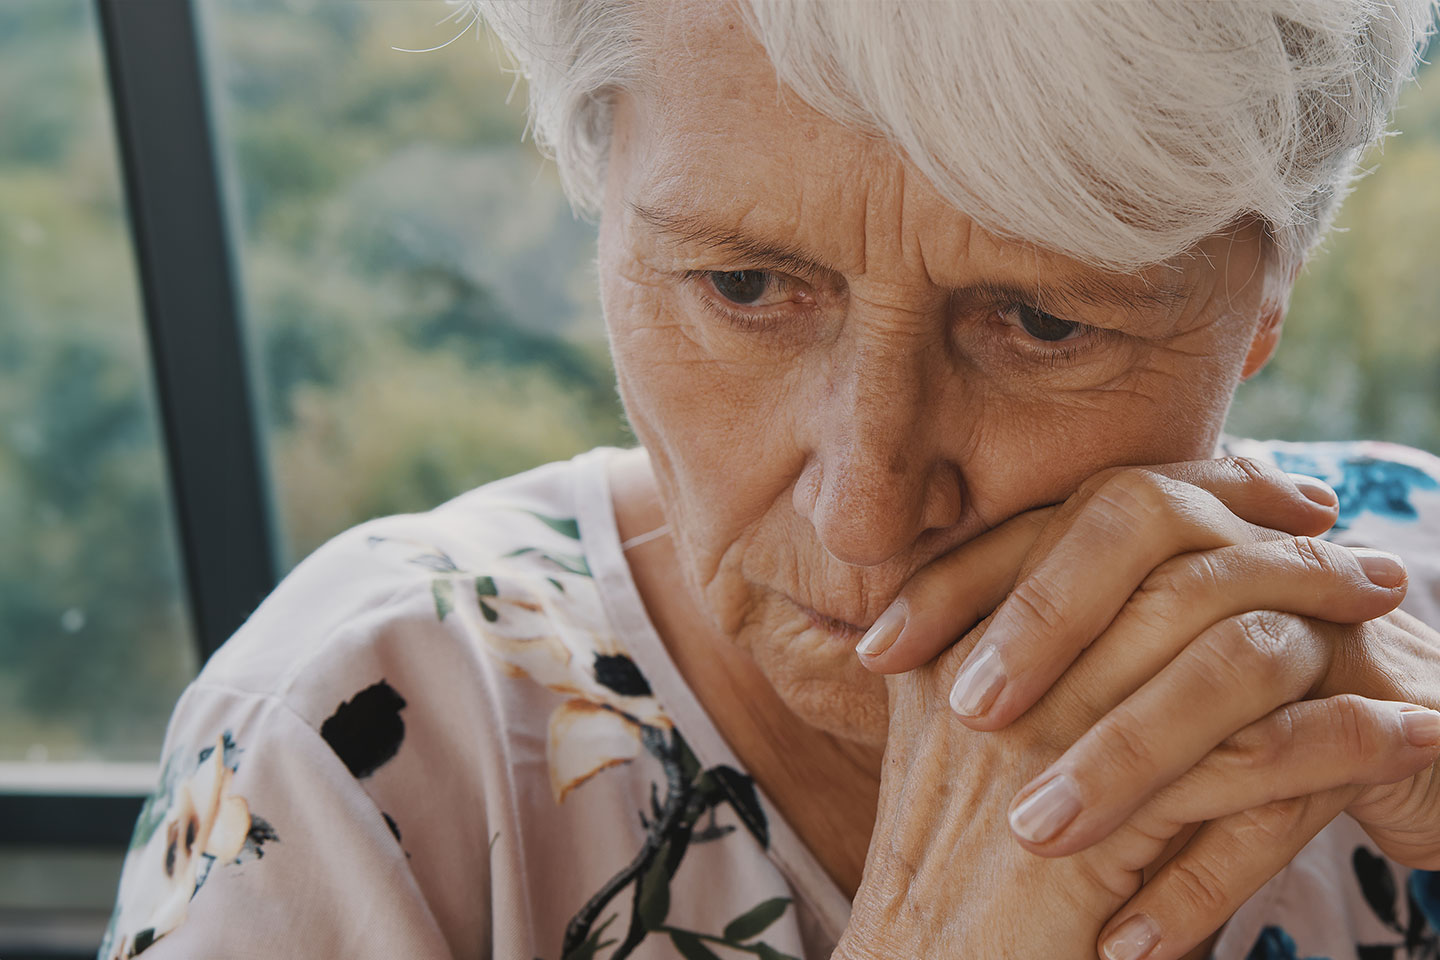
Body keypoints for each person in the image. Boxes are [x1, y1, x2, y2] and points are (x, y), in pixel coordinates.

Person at [99, 1, 1440, 958]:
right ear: (603, 197)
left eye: (1041, 321)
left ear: (1268, 291)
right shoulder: (355, 749)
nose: (863, 509)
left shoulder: (1415, 586)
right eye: (744, 286)